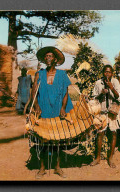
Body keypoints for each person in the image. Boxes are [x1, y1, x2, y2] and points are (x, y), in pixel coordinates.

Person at [31, 46, 73, 178]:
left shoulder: (62, 74)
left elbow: (66, 93)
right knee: (43, 140)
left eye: (51, 56)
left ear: (55, 60)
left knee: (58, 140)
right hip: (43, 109)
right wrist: (36, 105)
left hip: (57, 110)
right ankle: (42, 168)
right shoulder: (39, 74)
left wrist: (63, 108)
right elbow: (34, 92)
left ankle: (57, 167)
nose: (48, 58)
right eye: (47, 56)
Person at [90, 65, 120, 168]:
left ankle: (111, 158)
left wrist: (111, 88)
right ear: (103, 73)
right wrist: (101, 93)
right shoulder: (98, 83)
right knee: (100, 134)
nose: (107, 74)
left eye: (109, 72)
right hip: (102, 112)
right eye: (105, 72)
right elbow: (94, 98)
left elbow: (119, 97)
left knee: (113, 134)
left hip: (112, 113)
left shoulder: (115, 82)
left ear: (112, 73)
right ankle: (98, 158)